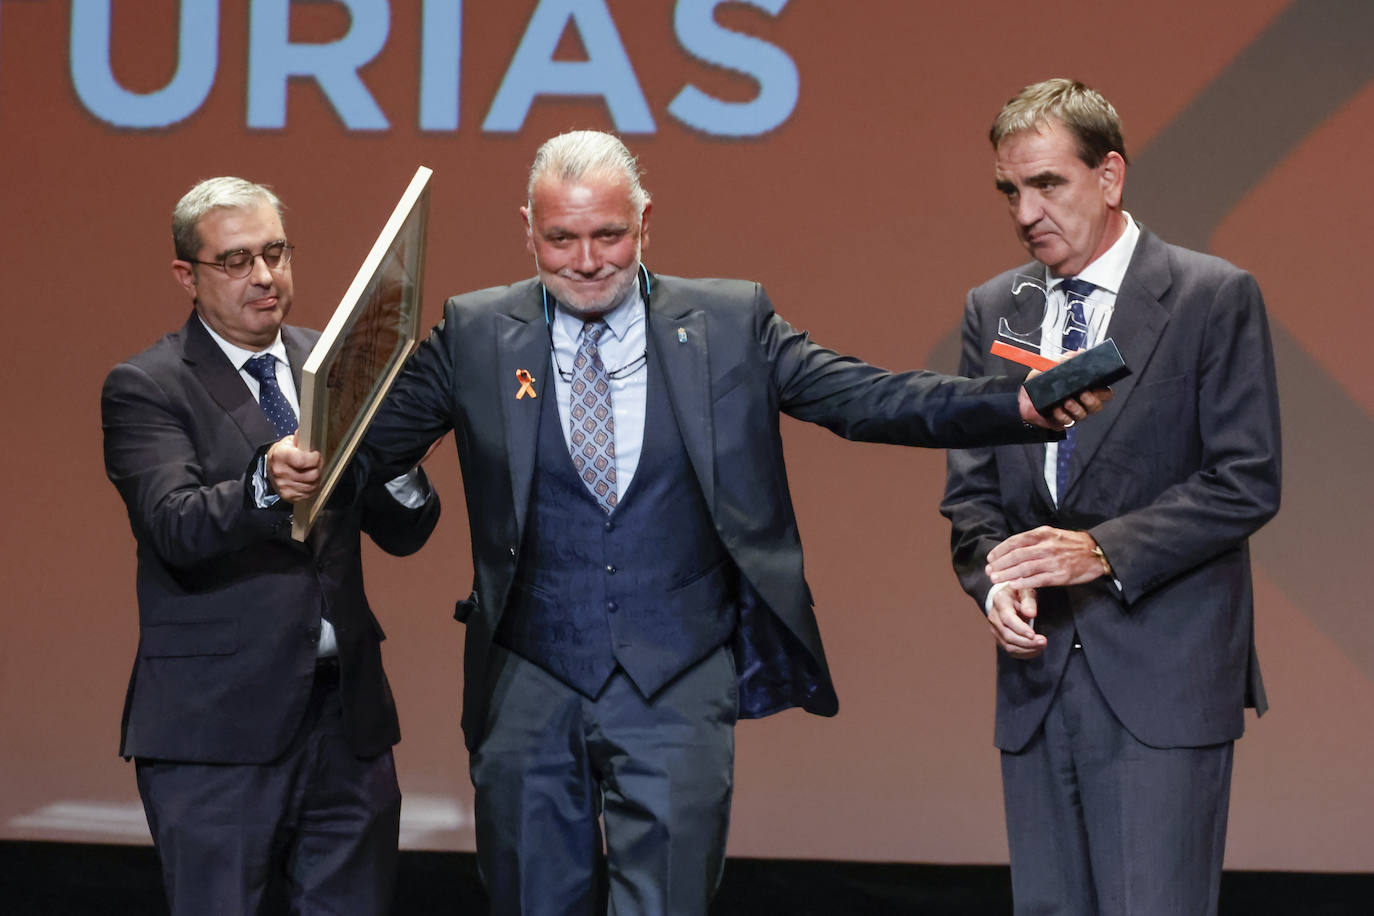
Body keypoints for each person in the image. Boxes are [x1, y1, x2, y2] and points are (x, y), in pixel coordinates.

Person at [271, 130, 1104, 916]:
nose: (588, 261)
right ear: (527, 231)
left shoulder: (730, 323)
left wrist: (1020, 403)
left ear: (645, 221)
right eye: (562, 240)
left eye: (608, 235)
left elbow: (869, 399)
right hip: (526, 679)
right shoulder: (479, 331)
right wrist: (286, 464)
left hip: (677, 680)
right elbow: (364, 448)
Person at [941, 80, 1281, 915]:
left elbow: (1246, 480)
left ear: (1110, 176)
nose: (1025, 211)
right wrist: (996, 584)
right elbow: (971, 496)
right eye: (1009, 190)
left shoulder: (1210, 297)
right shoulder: (994, 309)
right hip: (1037, 682)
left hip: (1162, 677)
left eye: (1047, 184)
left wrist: (1099, 551)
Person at [101, 176, 440, 914]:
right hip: (215, 732)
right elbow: (173, 524)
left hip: (345, 724)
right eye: (236, 260)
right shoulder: (148, 385)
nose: (264, 276)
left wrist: (398, 454)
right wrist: (264, 485)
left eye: (276, 253)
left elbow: (406, 530)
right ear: (186, 276)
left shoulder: (334, 359)